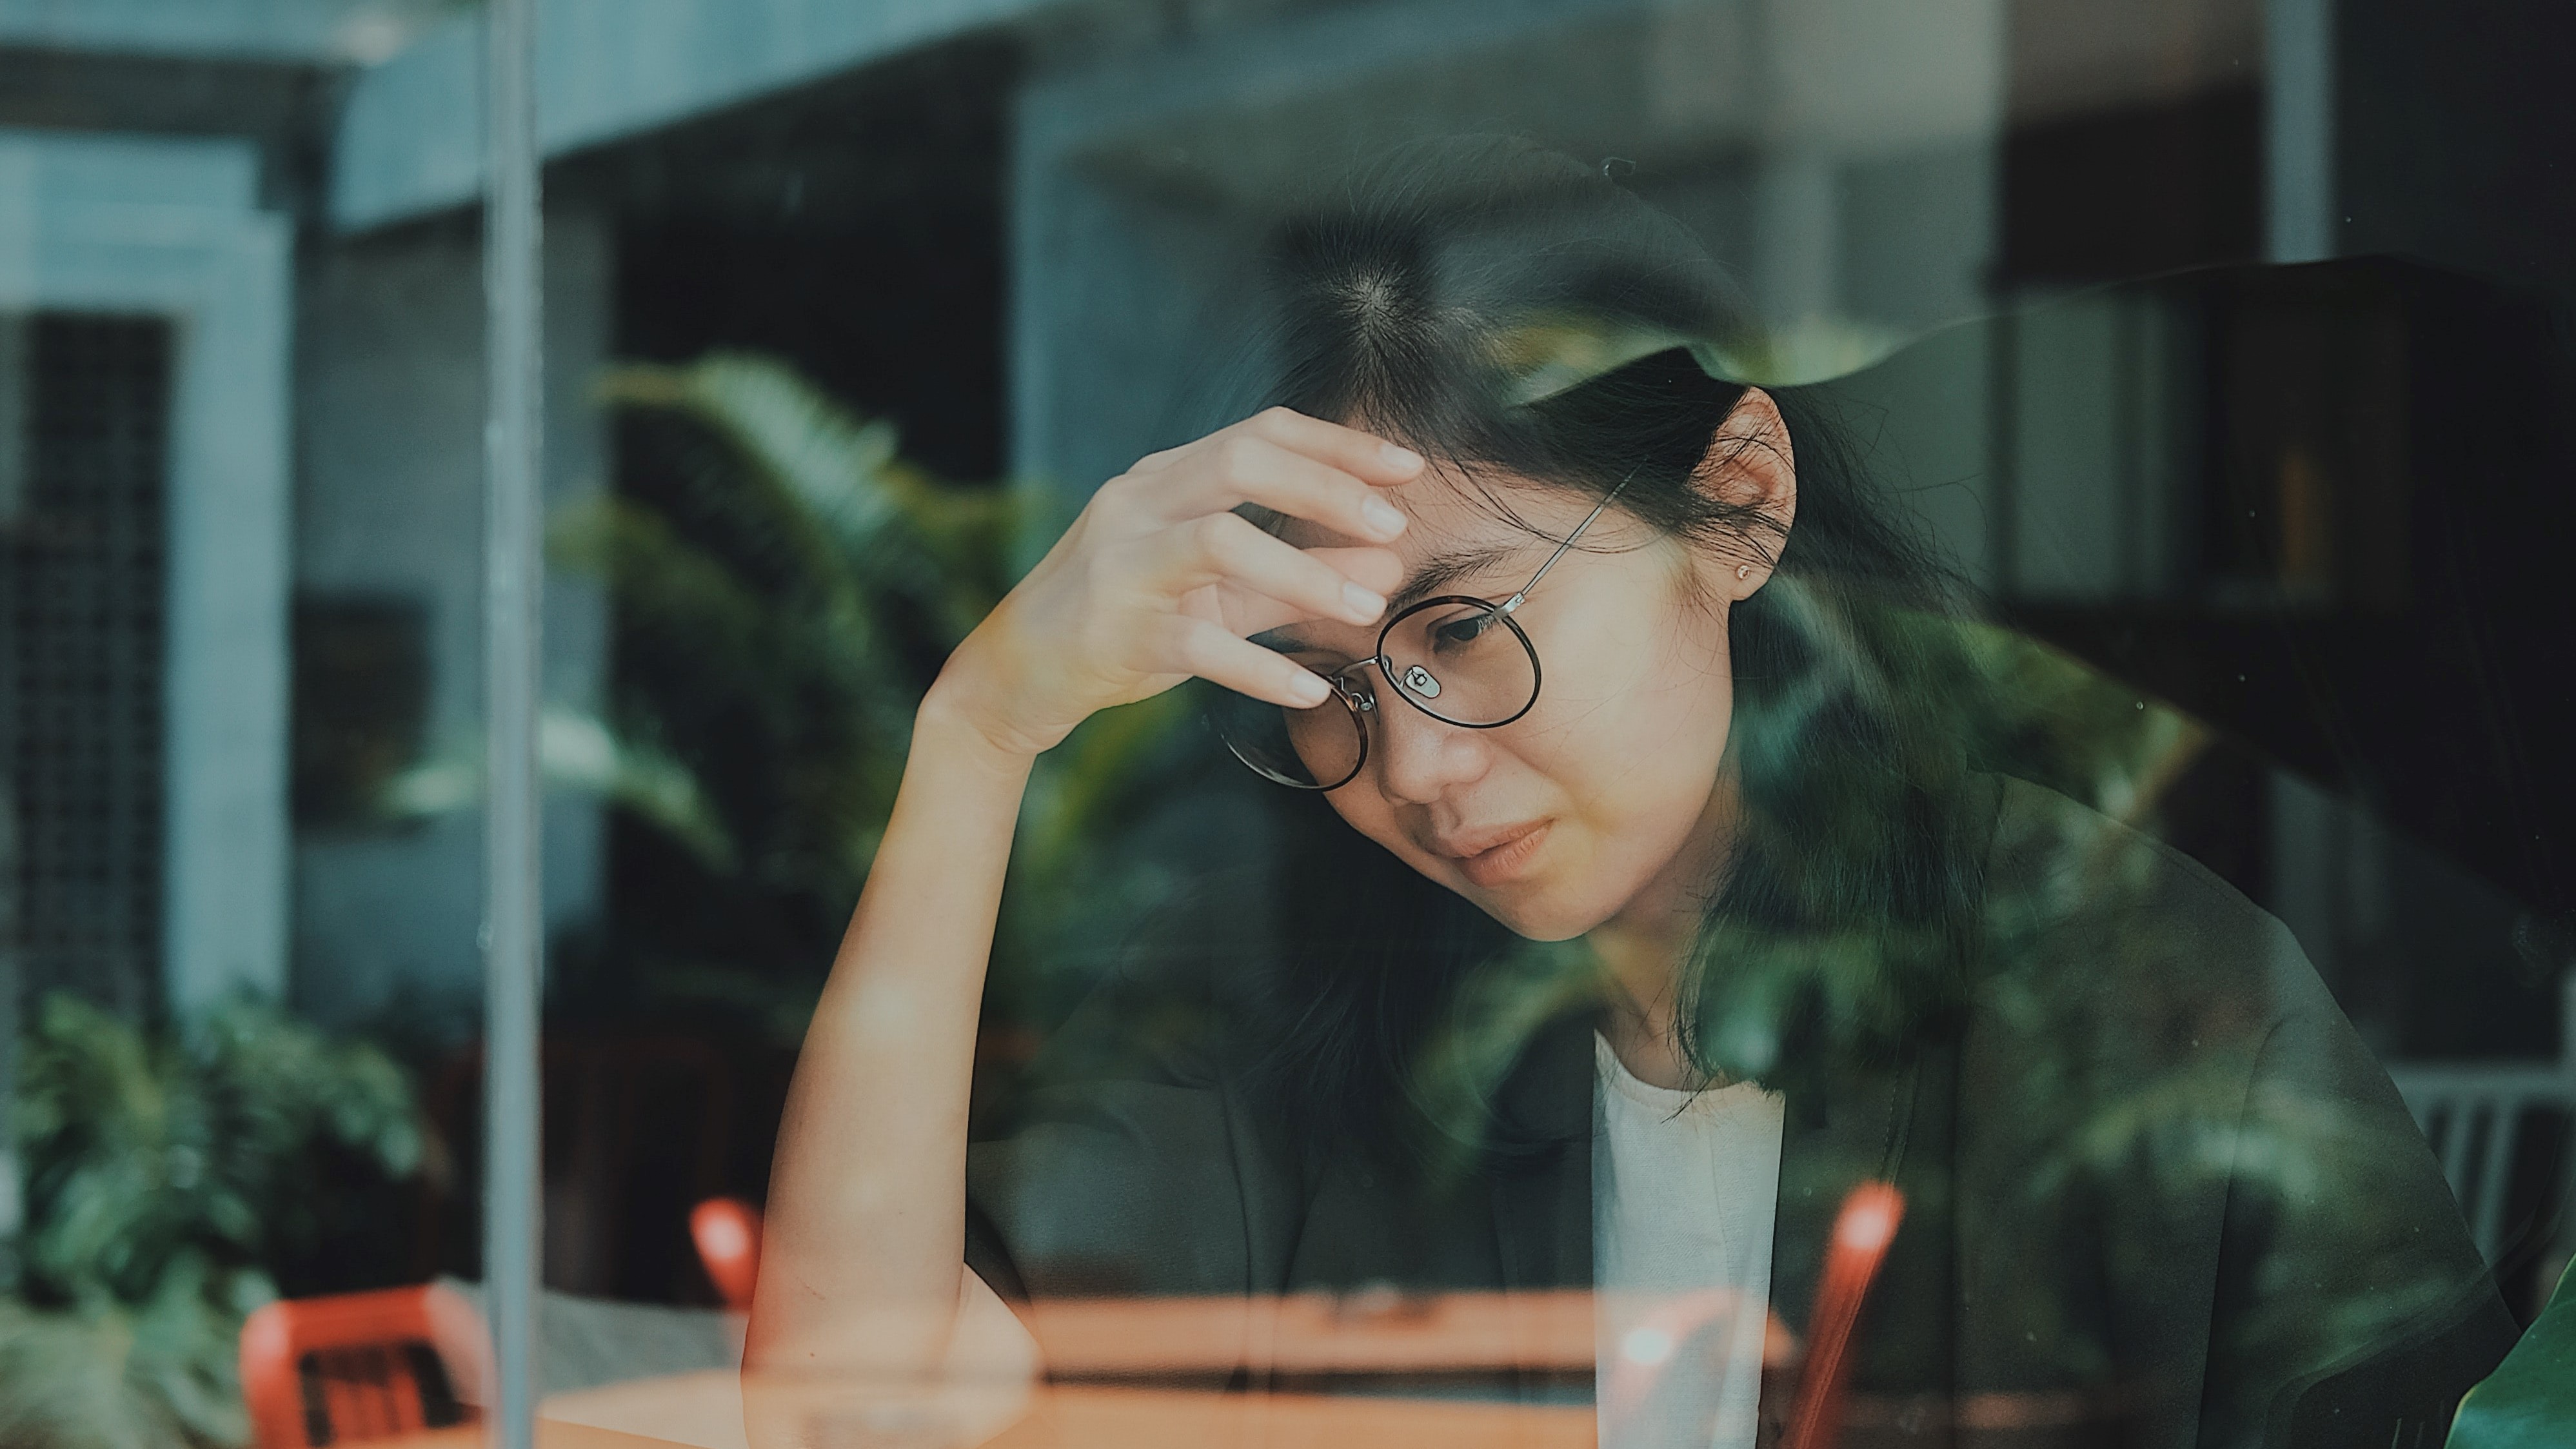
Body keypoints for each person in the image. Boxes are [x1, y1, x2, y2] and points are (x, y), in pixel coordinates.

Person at [745, 139, 2515, 1448]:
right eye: (1333, 693)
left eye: (1462, 626)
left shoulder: (2142, 1010)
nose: (1414, 770)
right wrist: (977, 733)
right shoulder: (1326, 1041)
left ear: (1734, 504)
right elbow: (848, 1414)